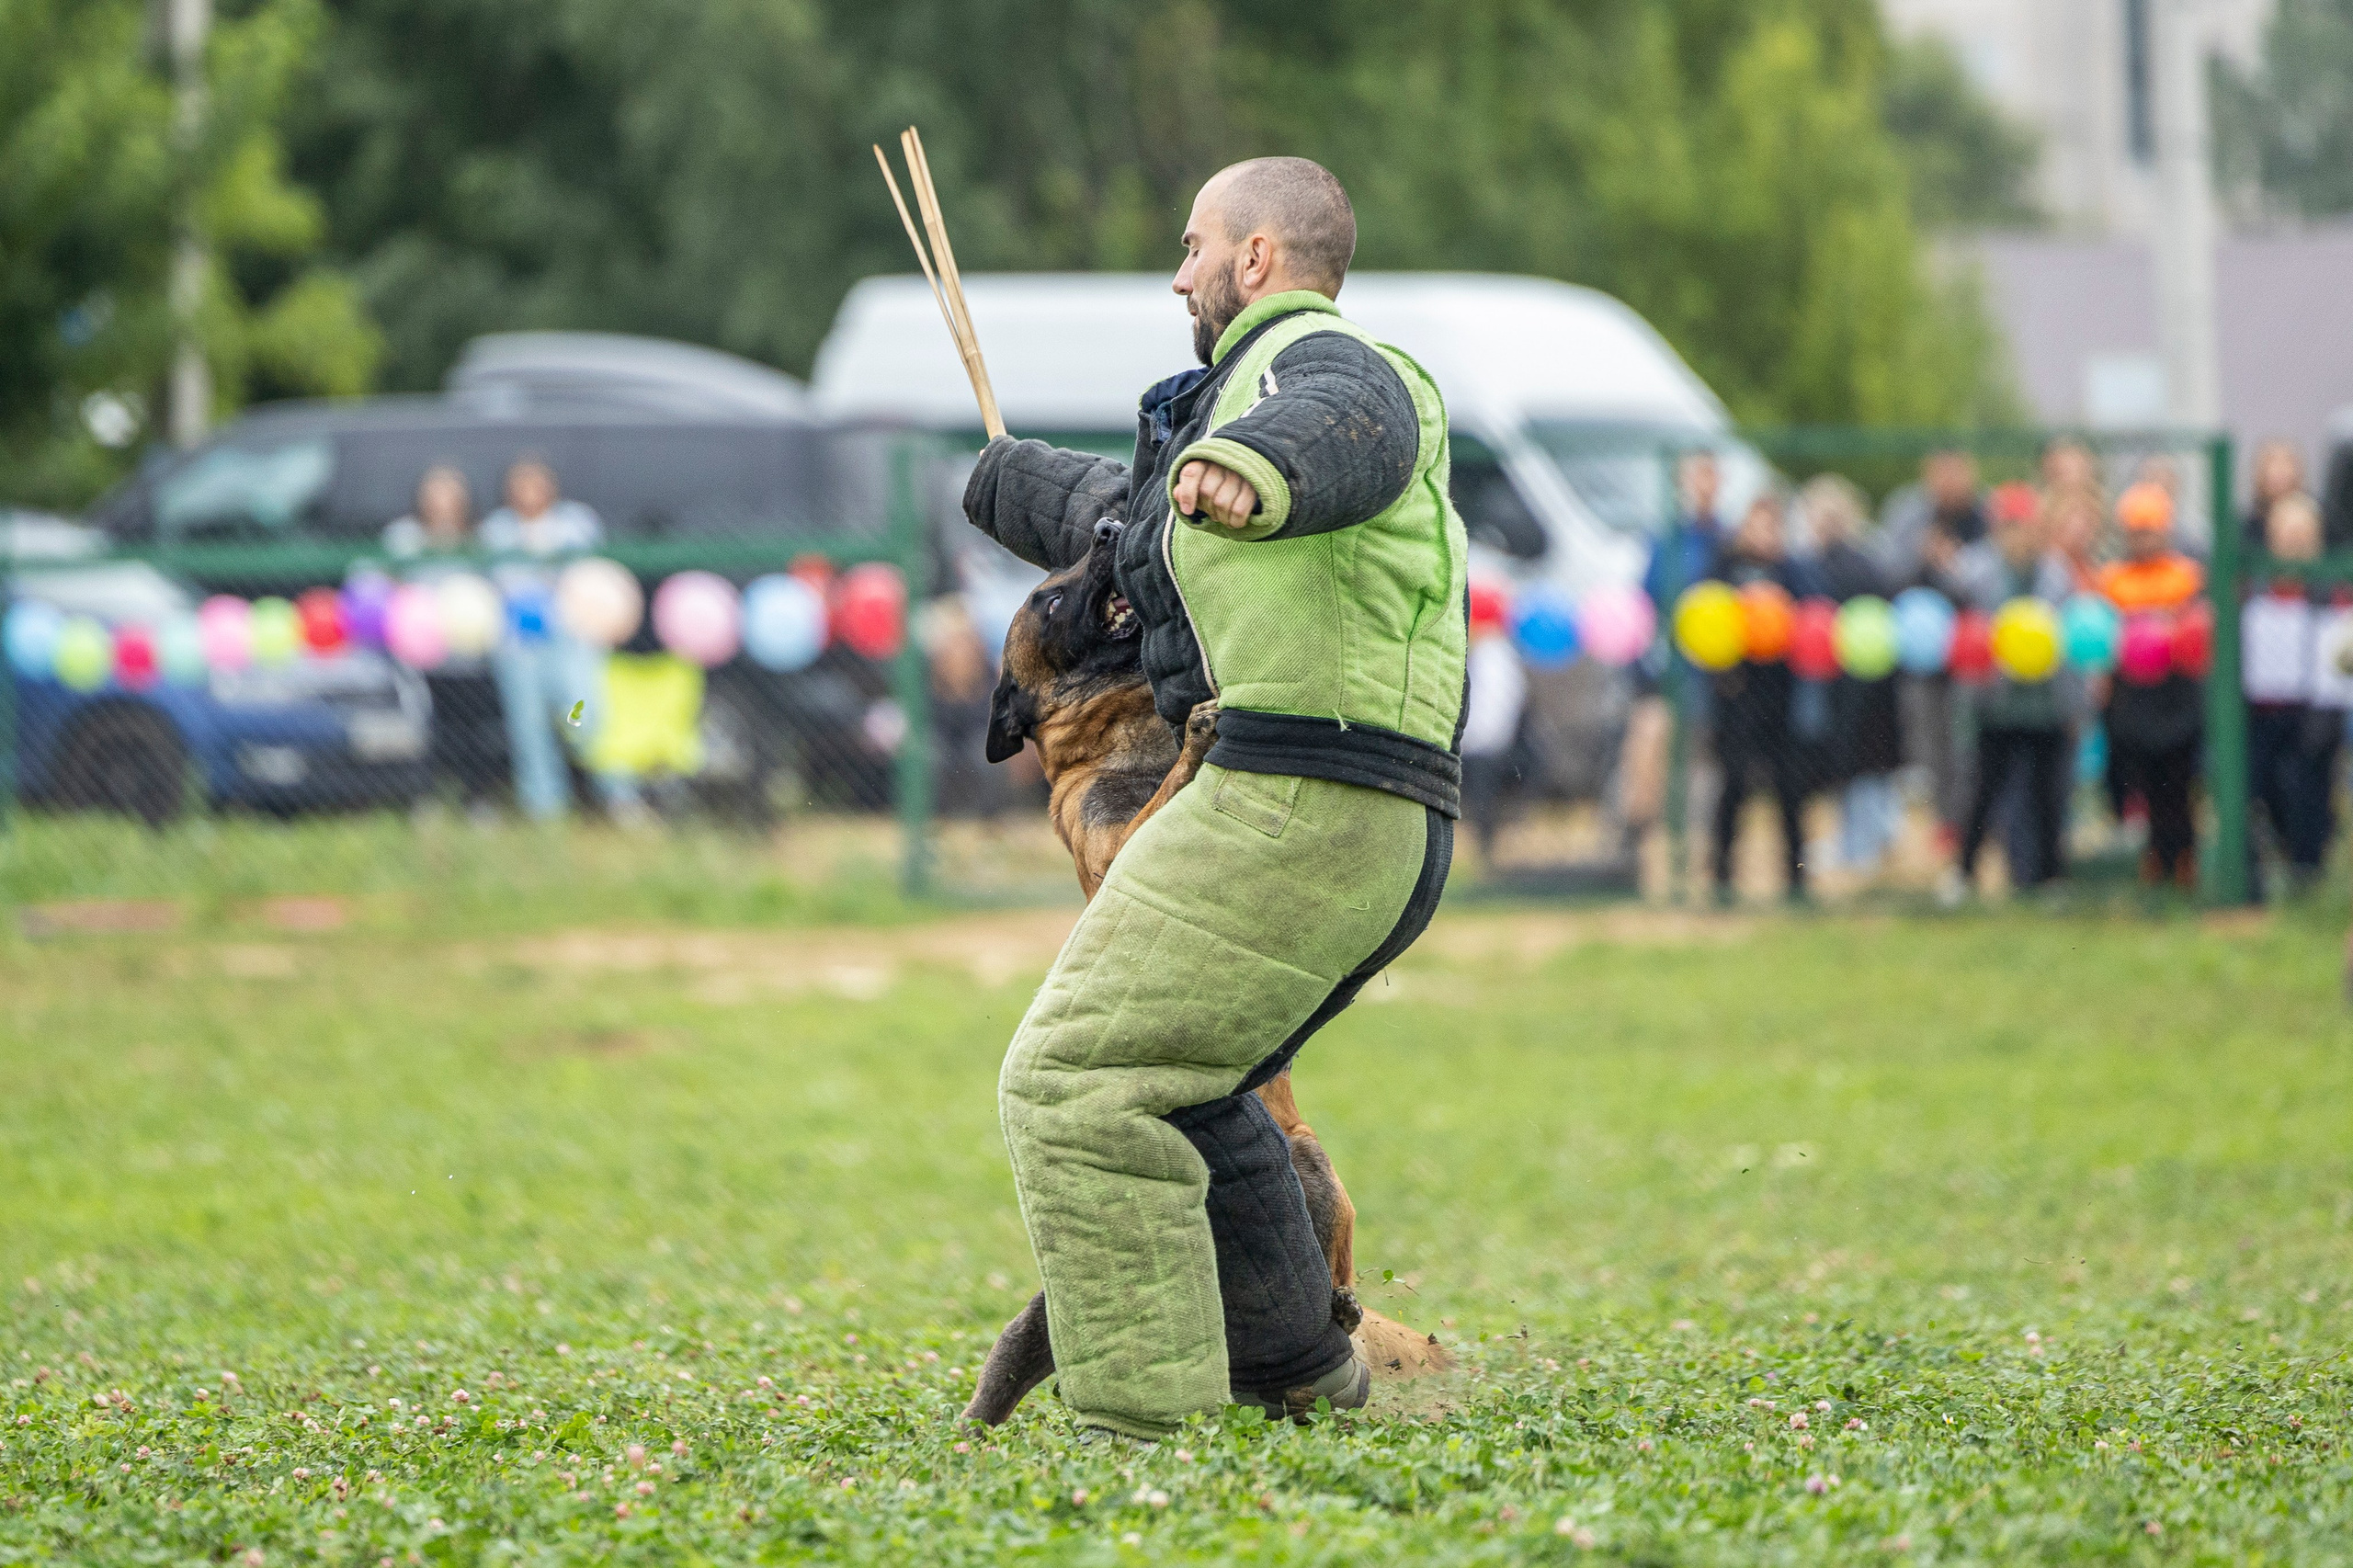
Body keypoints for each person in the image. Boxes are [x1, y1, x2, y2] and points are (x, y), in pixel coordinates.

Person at [958, 157, 1466, 1439]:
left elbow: (1348, 428)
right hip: (1342, 805)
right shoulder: (1232, 405)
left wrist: (1256, 464)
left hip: (1305, 793)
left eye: (1194, 246)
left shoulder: (1324, 368)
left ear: (1257, 260)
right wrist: (1013, 480)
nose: (1177, 271)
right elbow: (1137, 515)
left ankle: (1140, 1432)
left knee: (1069, 1079)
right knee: (1184, 1081)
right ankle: (1306, 1356)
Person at [1947, 484, 2079, 899]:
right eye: (2009, 527)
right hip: (1995, 704)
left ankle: (2049, 878)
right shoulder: (1974, 574)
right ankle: (1964, 875)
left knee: (2047, 795)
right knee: (1983, 792)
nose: (2017, 536)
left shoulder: (2057, 575)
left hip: (2046, 703)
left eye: (2024, 527)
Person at [479, 459, 606, 821]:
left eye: (536, 482)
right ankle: (545, 806)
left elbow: (584, 569)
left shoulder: (575, 521)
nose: (529, 491)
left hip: (570, 638)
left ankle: (611, 790)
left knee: (581, 711)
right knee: (529, 724)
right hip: (519, 644)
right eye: (520, 483)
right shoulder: (497, 529)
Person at [1708, 493, 1814, 903]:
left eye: (1773, 526)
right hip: (1735, 695)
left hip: (1781, 695)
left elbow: (1812, 618)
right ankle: (1721, 877)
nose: (1766, 534)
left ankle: (1797, 878)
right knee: (1733, 785)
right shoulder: (1726, 568)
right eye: (1758, 524)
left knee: (1790, 789)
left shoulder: (1793, 572)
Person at [2098, 483, 2207, 889]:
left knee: (2180, 785)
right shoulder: (2111, 580)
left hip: (2176, 696)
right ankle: (2153, 855)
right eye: (2135, 531)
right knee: (2141, 783)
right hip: (2132, 698)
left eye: (2150, 529)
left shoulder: (2188, 577)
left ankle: (2184, 856)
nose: (2142, 539)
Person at [1620, 451, 1728, 855]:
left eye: (1710, 476)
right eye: (1697, 477)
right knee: (1649, 740)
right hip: (1669, 671)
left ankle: (1696, 852)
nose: (1704, 486)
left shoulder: (1726, 543)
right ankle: (1635, 842)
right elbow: (1647, 607)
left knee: (1701, 768)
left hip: (1715, 676)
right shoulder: (1666, 542)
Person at [1801, 474, 1903, 874]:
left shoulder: (1833, 568)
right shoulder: (1868, 563)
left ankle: (1862, 846)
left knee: (1857, 765)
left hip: (1851, 688)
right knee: (1869, 766)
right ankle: (1869, 838)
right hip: (1865, 687)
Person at [2242, 492, 2336, 895]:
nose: (2296, 542)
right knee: (2259, 790)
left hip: (2316, 713)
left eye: (2304, 533)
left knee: (2309, 792)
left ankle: (2306, 876)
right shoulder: (2253, 587)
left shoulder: (2332, 588)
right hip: (2261, 713)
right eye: (2288, 532)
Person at [1459, 581, 1528, 864]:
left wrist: (1467, 743)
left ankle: (1486, 855)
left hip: (1488, 750)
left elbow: (1492, 714)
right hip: (1488, 746)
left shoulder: (1493, 655)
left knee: (1483, 808)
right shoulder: (1494, 652)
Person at [383, 464, 473, 559]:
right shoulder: (402, 535)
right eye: (436, 508)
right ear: (423, 504)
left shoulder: (481, 539)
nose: (443, 515)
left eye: (452, 503)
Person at [2243, 439, 2307, 554]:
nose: (2280, 471)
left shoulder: (2320, 519)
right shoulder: (2246, 531)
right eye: (2271, 462)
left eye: (2287, 462)